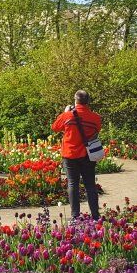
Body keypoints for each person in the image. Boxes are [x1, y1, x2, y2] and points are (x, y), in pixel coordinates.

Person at [52, 90, 102, 219]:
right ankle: (95, 215)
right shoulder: (96, 117)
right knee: (90, 184)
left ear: (75, 100)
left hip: (70, 154)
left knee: (73, 184)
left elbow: (55, 127)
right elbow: (96, 131)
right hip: (88, 155)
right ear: (88, 101)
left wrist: (65, 112)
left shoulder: (67, 116)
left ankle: (75, 216)